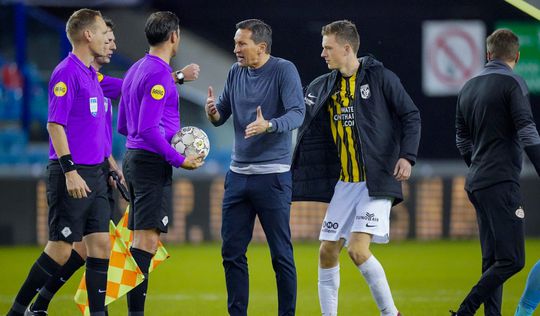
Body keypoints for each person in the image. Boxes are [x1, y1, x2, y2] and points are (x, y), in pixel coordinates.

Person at [291, 20, 420, 316]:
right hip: (345, 183)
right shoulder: (324, 85)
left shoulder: (381, 78)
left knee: (357, 250)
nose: (322, 53)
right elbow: (297, 108)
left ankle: (392, 314)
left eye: (328, 47)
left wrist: (407, 156)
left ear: (346, 48)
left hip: (376, 180)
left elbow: (411, 115)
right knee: (326, 251)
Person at [7, 9, 111, 316]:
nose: (108, 37)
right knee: (61, 249)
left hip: (94, 175)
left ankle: (98, 313)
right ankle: (17, 311)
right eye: (104, 31)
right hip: (72, 174)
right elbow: (55, 125)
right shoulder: (66, 72)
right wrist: (70, 171)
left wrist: (107, 165)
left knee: (101, 245)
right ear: (87, 34)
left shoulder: (92, 73)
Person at [205, 19, 305, 316]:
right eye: (236, 43)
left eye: (241, 44)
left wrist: (270, 125)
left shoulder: (284, 70)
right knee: (231, 253)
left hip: (272, 177)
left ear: (261, 47)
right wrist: (212, 112)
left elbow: (298, 113)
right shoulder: (236, 71)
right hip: (237, 177)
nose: (235, 49)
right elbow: (220, 114)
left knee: (281, 255)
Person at [117, 11, 203, 315]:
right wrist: (179, 158)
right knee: (146, 243)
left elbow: (125, 126)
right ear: (174, 37)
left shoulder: (136, 69)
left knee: (142, 239)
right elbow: (147, 129)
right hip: (152, 163)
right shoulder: (157, 74)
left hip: (134, 159)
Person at [452, 28, 540, 316]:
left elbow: (461, 138)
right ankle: (467, 309)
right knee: (513, 259)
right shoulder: (513, 83)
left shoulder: (468, 86)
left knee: (492, 260)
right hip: (501, 181)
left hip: (477, 181)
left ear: (488, 54)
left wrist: (477, 164)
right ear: (517, 55)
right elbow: (527, 131)